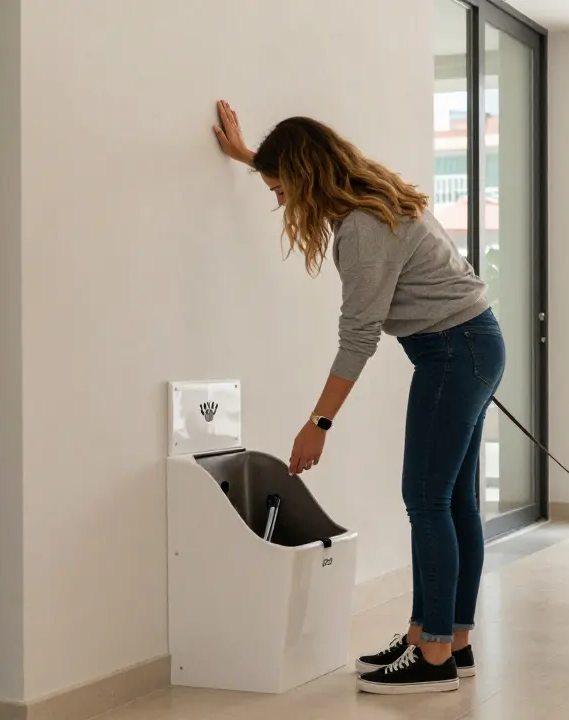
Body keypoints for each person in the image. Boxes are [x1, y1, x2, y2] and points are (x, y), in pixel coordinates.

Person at [212, 102, 505, 694]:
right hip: (470, 343)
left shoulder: (364, 231)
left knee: (426, 500)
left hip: (453, 352)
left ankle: (434, 657)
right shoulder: (368, 192)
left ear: (304, 178)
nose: (278, 201)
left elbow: (358, 338)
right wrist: (250, 156)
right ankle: (446, 637)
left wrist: (317, 423)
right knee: (451, 503)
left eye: (279, 188)